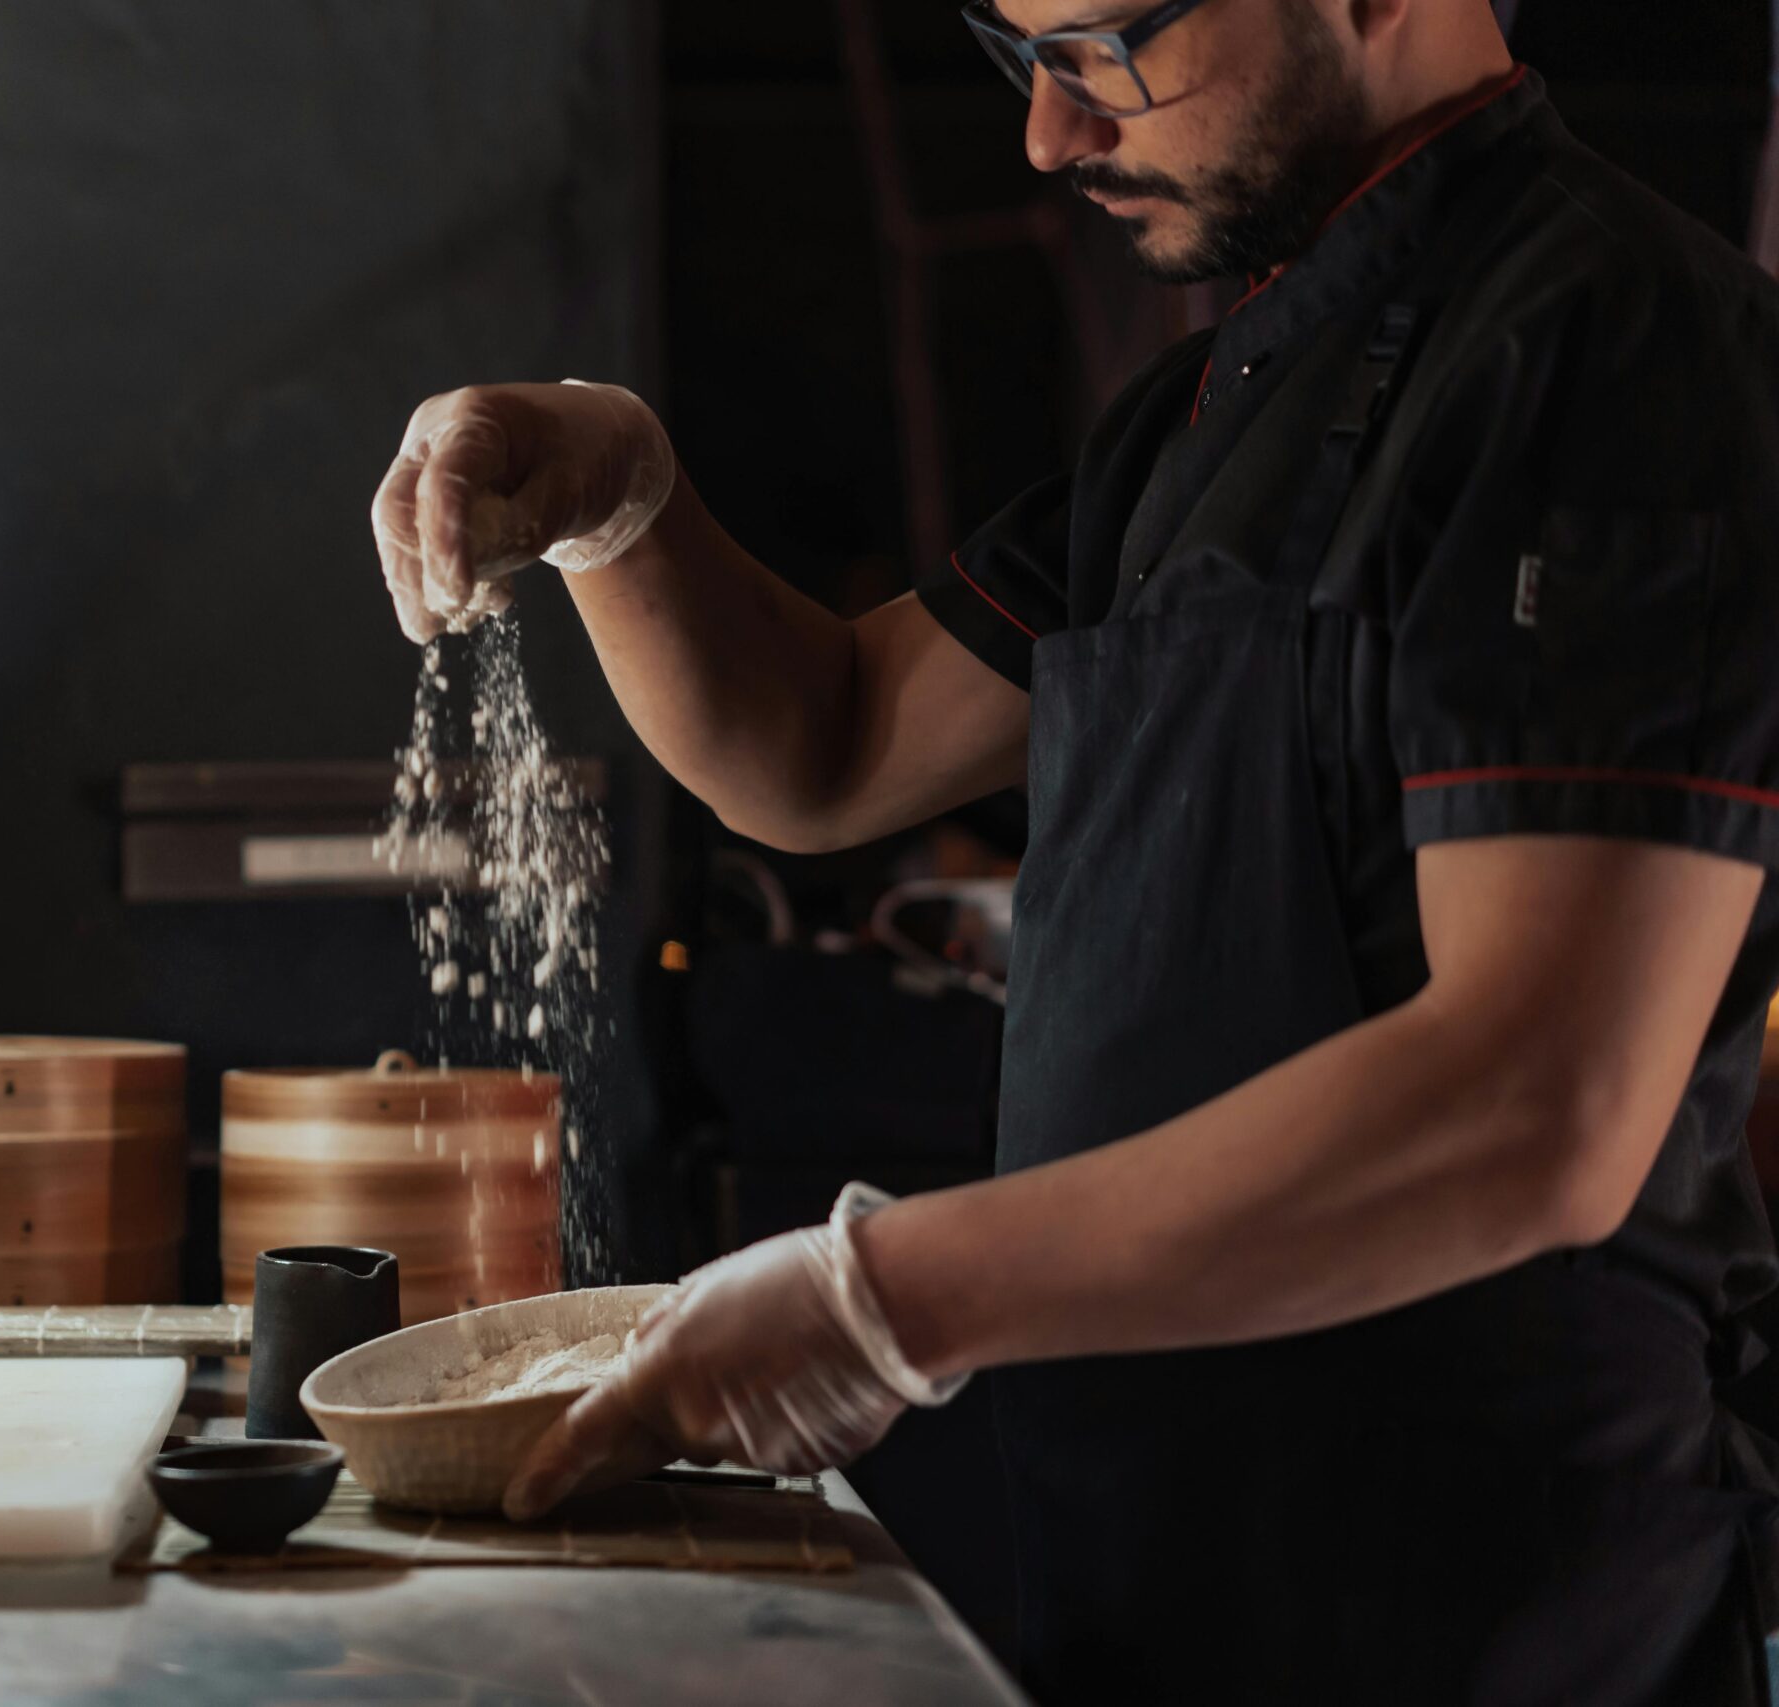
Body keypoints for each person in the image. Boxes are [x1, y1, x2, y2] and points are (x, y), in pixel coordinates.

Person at [368, 1, 1779, 1702]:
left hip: (1483, 1606)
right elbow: (823, 746)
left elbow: (1536, 1104)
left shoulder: (1610, 351)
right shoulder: (1202, 411)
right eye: (1017, 54)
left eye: (1104, 45)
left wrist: (883, 1296)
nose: (1048, 135)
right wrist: (621, 497)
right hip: (1172, 1569)